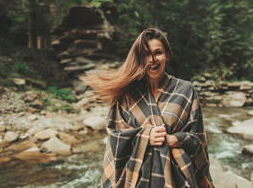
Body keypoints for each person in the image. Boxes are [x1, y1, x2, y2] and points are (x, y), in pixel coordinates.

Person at [81, 28, 214, 188]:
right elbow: (114, 136)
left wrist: (175, 139)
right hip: (136, 177)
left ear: (167, 55)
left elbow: (197, 137)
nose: (152, 60)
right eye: (145, 54)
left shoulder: (186, 90)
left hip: (177, 178)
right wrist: (145, 136)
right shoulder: (127, 93)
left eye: (158, 53)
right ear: (138, 58)